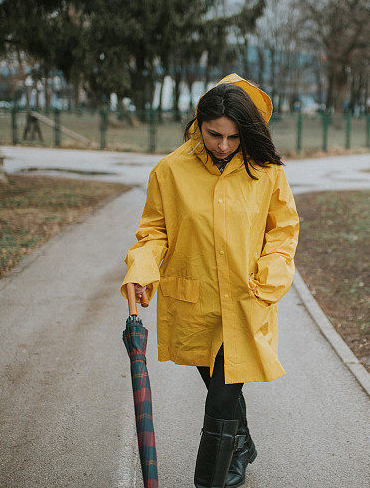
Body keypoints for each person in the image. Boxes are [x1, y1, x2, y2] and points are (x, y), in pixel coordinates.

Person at [119, 73, 300, 488]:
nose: (222, 145)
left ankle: (211, 481)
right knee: (222, 389)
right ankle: (241, 444)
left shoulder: (266, 171)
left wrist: (268, 277)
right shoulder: (170, 171)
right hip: (195, 302)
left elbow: (283, 230)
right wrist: (142, 270)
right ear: (198, 125)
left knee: (220, 396)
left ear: (248, 132)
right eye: (214, 134)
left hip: (244, 299)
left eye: (233, 137)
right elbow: (154, 232)